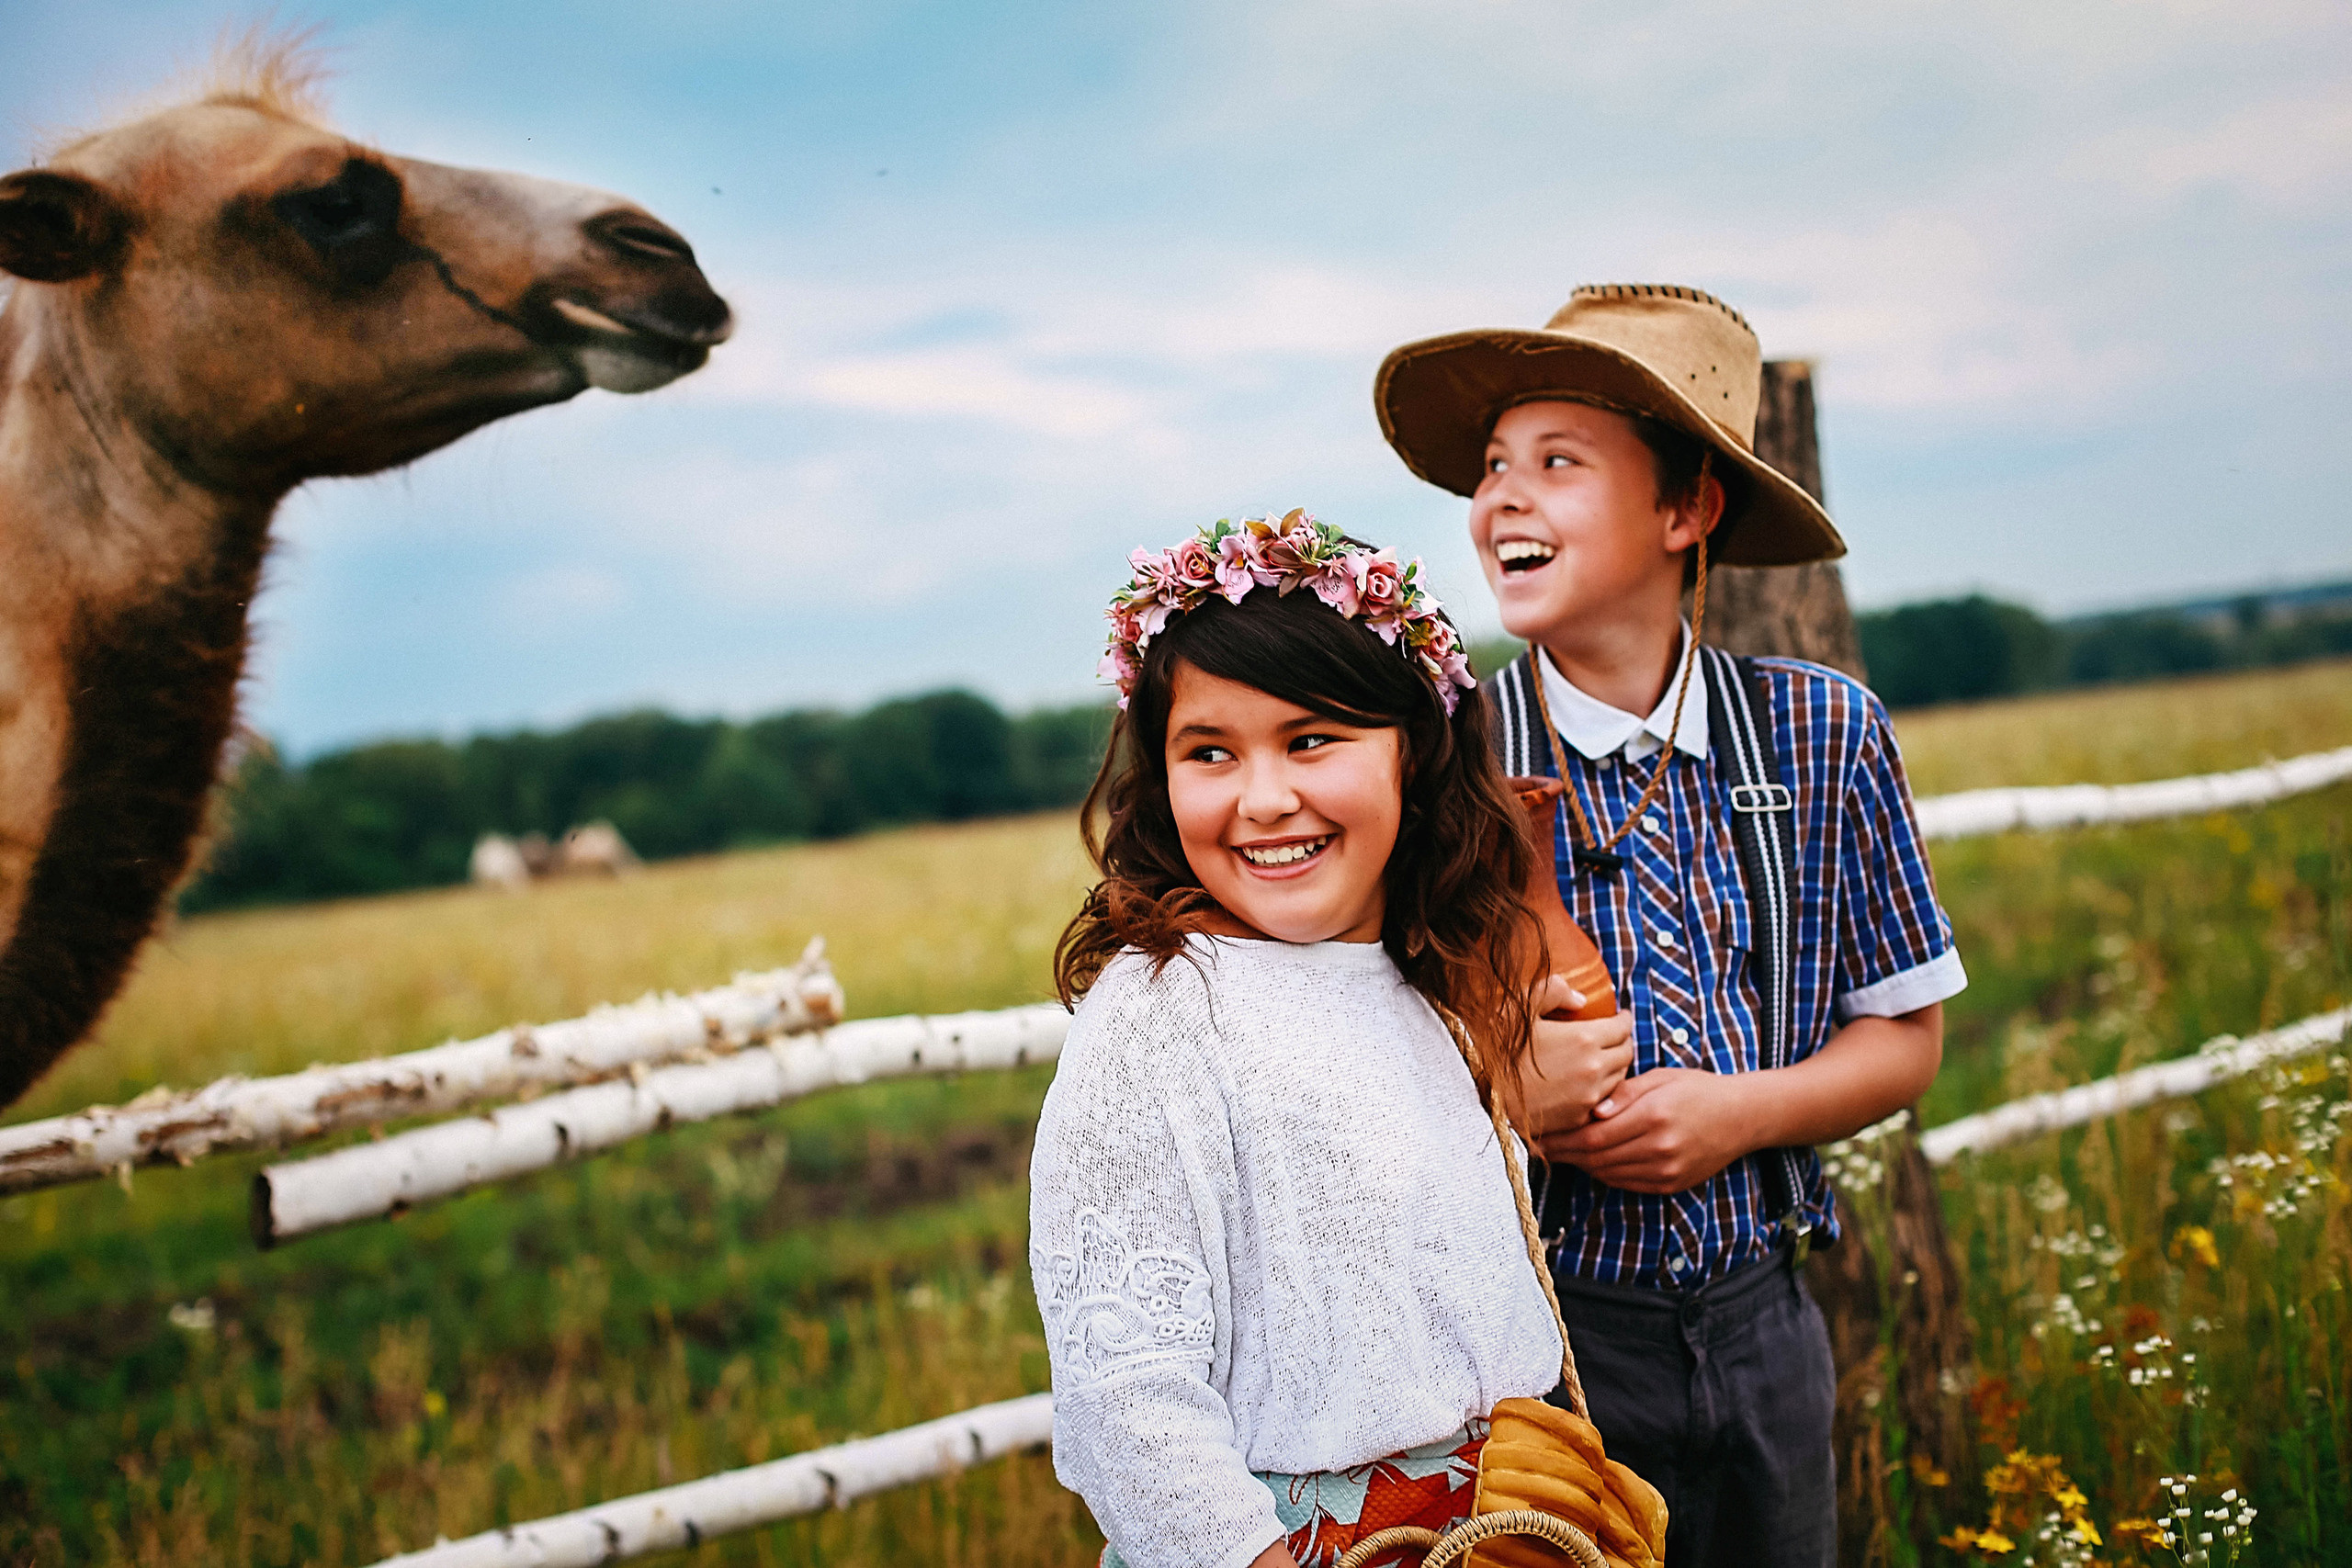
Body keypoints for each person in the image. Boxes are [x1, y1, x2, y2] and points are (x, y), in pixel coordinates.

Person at [1373, 284, 1967, 1567]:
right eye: (1491, 467)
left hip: (1767, 1327)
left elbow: (1908, 1039)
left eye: (1559, 462)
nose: (1503, 499)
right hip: (1536, 1354)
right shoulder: (1440, 758)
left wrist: (1735, 1114)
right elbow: (1365, 1076)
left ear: (1685, 508)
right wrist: (1507, 1088)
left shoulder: (1825, 734)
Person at [1031, 513, 1568, 1568]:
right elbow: (1127, 1401)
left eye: (1311, 739)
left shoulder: (1426, 988)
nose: (1264, 799)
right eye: (1210, 752)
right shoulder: (1162, 1011)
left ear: (1412, 754)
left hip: (1500, 1527)